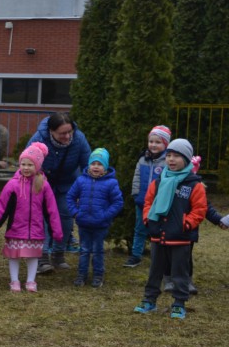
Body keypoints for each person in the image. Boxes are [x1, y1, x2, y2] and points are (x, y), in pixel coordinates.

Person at [134, 139, 207, 319]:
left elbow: (200, 209)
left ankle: (179, 303)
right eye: (169, 155)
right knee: (155, 271)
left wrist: (186, 224)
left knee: (179, 272)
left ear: (187, 159)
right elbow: (148, 203)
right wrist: (147, 220)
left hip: (180, 237)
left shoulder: (194, 185)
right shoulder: (159, 182)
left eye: (176, 156)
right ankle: (149, 300)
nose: (171, 160)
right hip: (158, 234)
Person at [0, 142, 63, 293]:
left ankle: (30, 281)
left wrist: (56, 230)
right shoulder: (12, 185)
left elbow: (51, 209)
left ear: (38, 166)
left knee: (32, 256)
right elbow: (2, 208)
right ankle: (14, 280)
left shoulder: (43, 185)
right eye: (23, 164)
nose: (26, 168)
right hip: (15, 228)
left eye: (30, 165)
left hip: (35, 230)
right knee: (14, 256)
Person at [25, 113, 91, 273]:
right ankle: (42, 257)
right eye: (62, 133)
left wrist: (87, 188)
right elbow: (27, 162)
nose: (67, 136)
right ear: (51, 131)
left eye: (70, 132)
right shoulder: (38, 139)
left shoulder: (79, 139)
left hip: (67, 183)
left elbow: (87, 165)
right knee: (41, 218)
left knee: (66, 216)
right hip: (42, 183)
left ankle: (58, 253)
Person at [67, 148, 123, 288]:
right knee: (84, 250)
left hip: (100, 225)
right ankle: (81, 275)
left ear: (105, 167)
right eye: (93, 163)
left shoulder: (111, 183)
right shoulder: (81, 180)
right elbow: (70, 197)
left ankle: (98, 275)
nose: (96, 167)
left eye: (99, 164)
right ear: (89, 165)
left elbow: (117, 202)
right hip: (83, 223)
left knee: (98, 251)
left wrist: (105, 216)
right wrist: (76, 213)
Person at [126, 125, 170, 268]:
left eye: (158, 142)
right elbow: (137, 177)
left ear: (165, 144)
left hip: (160, 204)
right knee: (139, 229)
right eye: (151, 141)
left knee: (160, 231)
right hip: (143, 202)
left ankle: (160, 258)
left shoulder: (167, 162)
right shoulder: (142, 159)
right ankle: (135, 256)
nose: (153, 145)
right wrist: (136, 193)